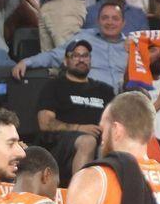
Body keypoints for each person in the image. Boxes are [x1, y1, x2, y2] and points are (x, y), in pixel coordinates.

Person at [35, 39, 115, 180]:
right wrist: (79, 128)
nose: (81, 60)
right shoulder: (54, 86)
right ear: (66, 61)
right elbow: (45, 123)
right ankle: (78, 195)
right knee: (88, 141)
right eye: (75, 56)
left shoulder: (105, 90)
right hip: (60, 144)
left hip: (100, 142)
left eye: (85, 56)